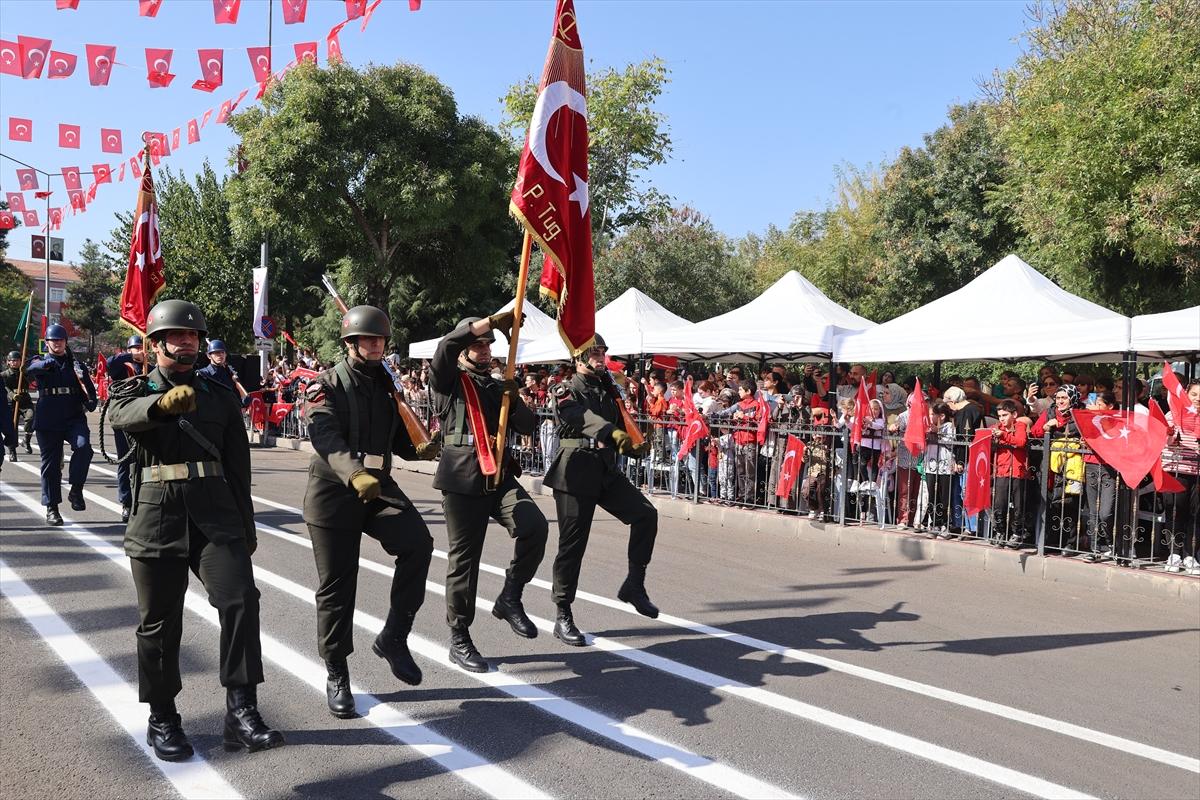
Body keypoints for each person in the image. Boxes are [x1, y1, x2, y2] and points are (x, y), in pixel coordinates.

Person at [107, 299, 283, 762]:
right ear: (157, 343)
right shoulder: (131, 391)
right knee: (160, 623)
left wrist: (246, 525)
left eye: (193, 336)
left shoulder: (218, 394)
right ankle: (162, 717)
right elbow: (121, 418)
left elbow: (237, 468)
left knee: (241, 599)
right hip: (156, 515)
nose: (188, 343)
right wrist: (161, 404)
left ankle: (242, 709)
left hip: (214, 513)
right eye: (178, 336)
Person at [301, 306, 439, 717]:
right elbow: (322, 432)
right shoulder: (326, 385)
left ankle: (394, 637)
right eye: (368, 339)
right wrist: (353, 471)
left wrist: (417, 447)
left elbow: (392, 438)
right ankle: (337, 670)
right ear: (350, 344)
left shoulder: (386, 385)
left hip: (379, 486)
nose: (376, 345)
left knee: (419, 543)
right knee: (338, 586)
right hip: (334, 490)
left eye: (380, 339)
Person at [430, 313, 548, 672]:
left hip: (497, 477)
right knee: (464, 561)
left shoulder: (498, 386)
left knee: (535, 526)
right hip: (462, 477)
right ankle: (459, 636)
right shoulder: (448, 380)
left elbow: (528, 426)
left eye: (487, 346)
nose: (484, 351)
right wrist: (489, 323)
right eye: (478, 345)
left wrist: (516, 398)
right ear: (465, 350)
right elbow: (445, 346)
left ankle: (510, 596)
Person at [544, 334, 658, 646]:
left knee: (646, 515)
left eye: (602, 351)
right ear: (578, 358)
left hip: (605, 469)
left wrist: (636, 447)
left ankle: (634, 585)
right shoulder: (565, 388)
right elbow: (581, 418)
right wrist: (614, 434)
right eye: (593, 351)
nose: (600, 355)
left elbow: (622, 425)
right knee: (572, 546)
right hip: (575, 472)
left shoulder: (608, 387)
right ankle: (562, 612)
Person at [26, 323, 97, 526]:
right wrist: (45, 364)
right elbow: (29, 370)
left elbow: (89, 387)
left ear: (66, 342)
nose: (57, 344)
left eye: (60, 340)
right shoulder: (41, 361)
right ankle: (52, 508)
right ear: (46, 343)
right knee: (51, 466)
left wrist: (91, 400)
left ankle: (76, 489)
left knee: (84, 448)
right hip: (48, 419)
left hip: (74, 416)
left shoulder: (76, 364)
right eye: (53, 341)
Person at [106, 335, 147, 522]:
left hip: (144, 421)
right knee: (125, 460)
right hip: (124, 419)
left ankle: (144, 501)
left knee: (146, 461)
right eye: (135, 347)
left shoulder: (149, 369)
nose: (139, 350)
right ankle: (126, 502)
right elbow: (109, 363)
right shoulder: (122, 367)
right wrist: (130, 357)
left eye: (141, 347)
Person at [990, 399, 1030, 548]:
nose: (1002, 419)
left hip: (1018, 471)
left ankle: (1017, 534)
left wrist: (1003, 437)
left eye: (1005, 415)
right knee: (999, 504)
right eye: (1000, 415)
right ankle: (999, 532)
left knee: (1018, 505)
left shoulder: (1020, 425)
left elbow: (1020, 442)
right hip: (1002, 470)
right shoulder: (997, 427)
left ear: (1014, 414)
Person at [197, 339, 251, 407]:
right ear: (209, 356)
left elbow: (246, 401)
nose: (221, 355)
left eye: (222, 352)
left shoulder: (229, 373)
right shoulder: (203, 374)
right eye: (217, 352)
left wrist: (237, 382)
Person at [2, 350, 35, 459]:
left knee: (31, 417)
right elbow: (4, 388)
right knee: (13, 427)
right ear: (8, 362)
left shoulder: (25, 372)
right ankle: (12, 451)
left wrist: (25, 373)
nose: (15, 363)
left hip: (25, 401)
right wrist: (12, 395)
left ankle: (26, 440)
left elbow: (33, 380)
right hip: (11, 403)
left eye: (17, 360)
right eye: (13, 361)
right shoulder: (4, 375)